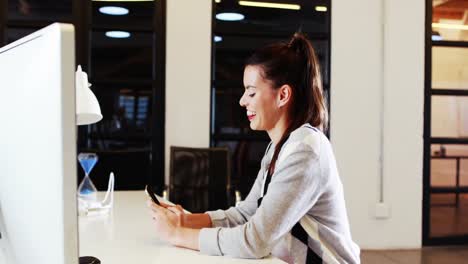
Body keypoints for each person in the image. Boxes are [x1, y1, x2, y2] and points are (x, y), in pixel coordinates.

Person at [147, 33, 361, 264]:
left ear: (283, 95)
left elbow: (255, 241)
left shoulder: (306, 150)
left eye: (251, 92)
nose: (242, 101)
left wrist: (178, 235)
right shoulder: (279, 147)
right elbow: (246, 214)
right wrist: (187, 220)